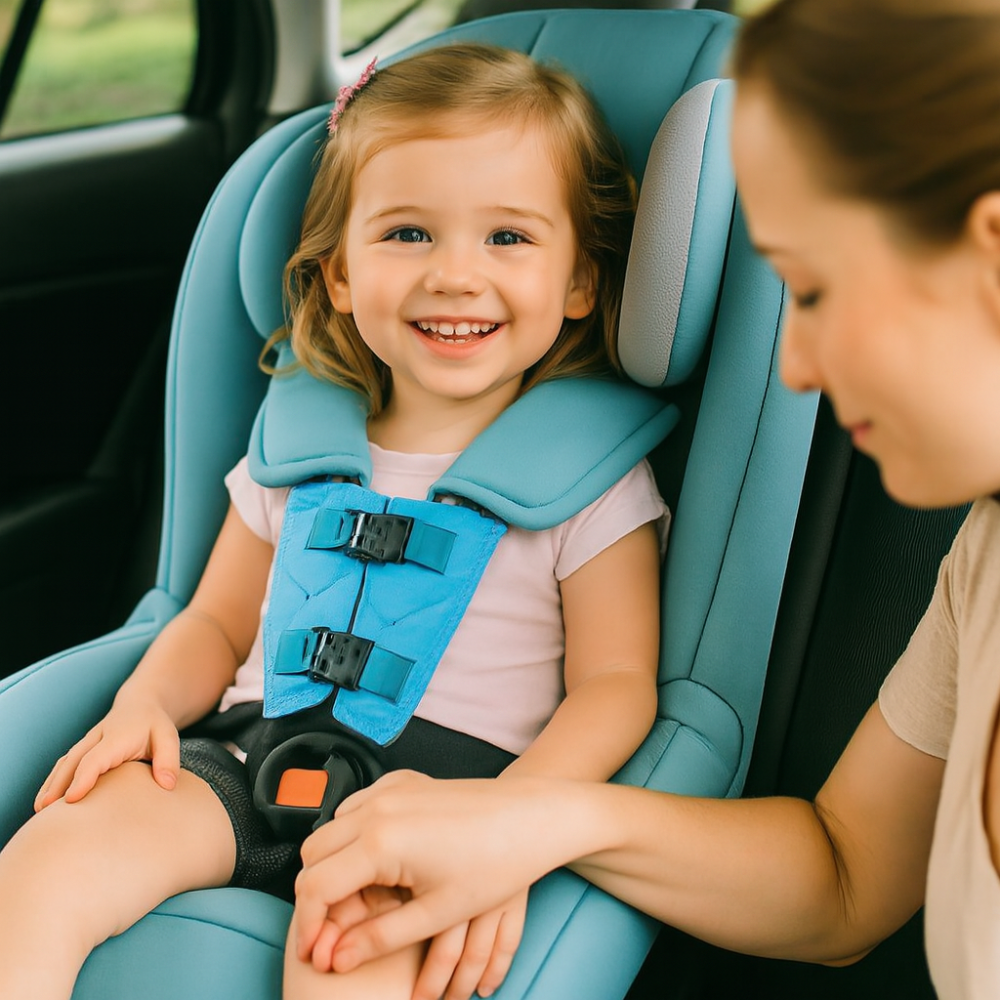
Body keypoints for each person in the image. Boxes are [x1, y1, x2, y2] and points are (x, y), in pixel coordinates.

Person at [287, 2, 1000, 998]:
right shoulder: (985, 555)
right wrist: (526, 819)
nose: (793, 364)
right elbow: (843, 880)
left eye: (816, 292)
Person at [0, 43, 670, 1000]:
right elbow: (213, 623)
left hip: (437, 812)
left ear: (581, 283)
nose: (454, 275)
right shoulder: (295, 449)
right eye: (407, 235)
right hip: (238, 762)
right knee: (46, 864)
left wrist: (509, 827)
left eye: (508, 239)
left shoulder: (592, 482)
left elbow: (616, 689)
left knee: (352, 968)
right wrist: (143, 705)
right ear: (340, 275)